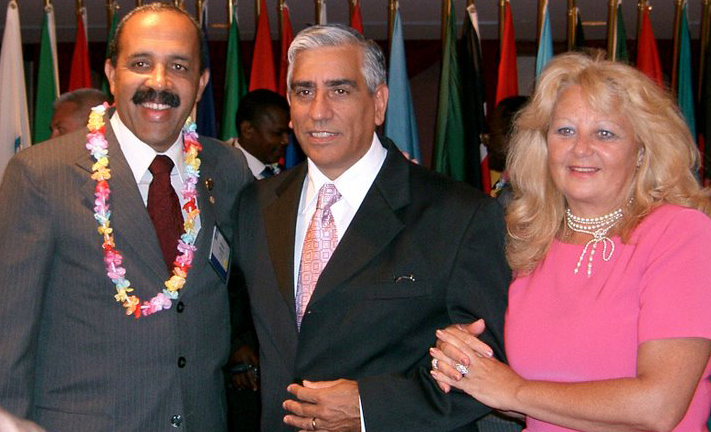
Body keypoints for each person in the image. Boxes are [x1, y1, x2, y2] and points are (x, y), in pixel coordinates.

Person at [233, 24, 510, 432]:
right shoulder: (255, 206)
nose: (319, 110)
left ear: (378, 103)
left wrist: (369, 408)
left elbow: (489, 364)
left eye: (340, 90)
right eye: (304, 91)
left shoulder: (459, 216)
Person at [0, 4, 252, 432]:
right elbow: (8, 340)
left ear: (201, 83)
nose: (159, 82)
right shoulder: (41, 174)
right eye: (140, 64)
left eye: (179, 66)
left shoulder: (226, 169)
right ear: (112, 75)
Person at [430, 52, 711, 432]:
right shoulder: (532, 242)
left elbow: (658, 407)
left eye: (605, 133)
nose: (581, 149)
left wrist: (512, 390)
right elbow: (537, 402)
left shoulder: (681, 233)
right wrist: (468, 363)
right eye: (565, 131)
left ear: (642, 149)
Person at [230, 89, 291, 179]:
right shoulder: (220, 172)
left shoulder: (285, 175)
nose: (286, 141)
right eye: (277, 133)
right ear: (247, 130)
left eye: (288, 133)